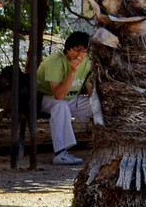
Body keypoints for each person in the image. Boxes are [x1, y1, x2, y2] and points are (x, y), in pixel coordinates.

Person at [35, 31, 101, 165]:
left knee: (98, 106)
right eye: (77, 49)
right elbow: (59, 95)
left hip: (71, 100)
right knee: (61, 105)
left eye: (84, 51)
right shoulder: (55, 61)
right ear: (68, 48)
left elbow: (90, 94)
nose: (79, 54)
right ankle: (60, 153)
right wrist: (72, 72)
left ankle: (104, 146)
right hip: (44, 99)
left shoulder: (87, 63)